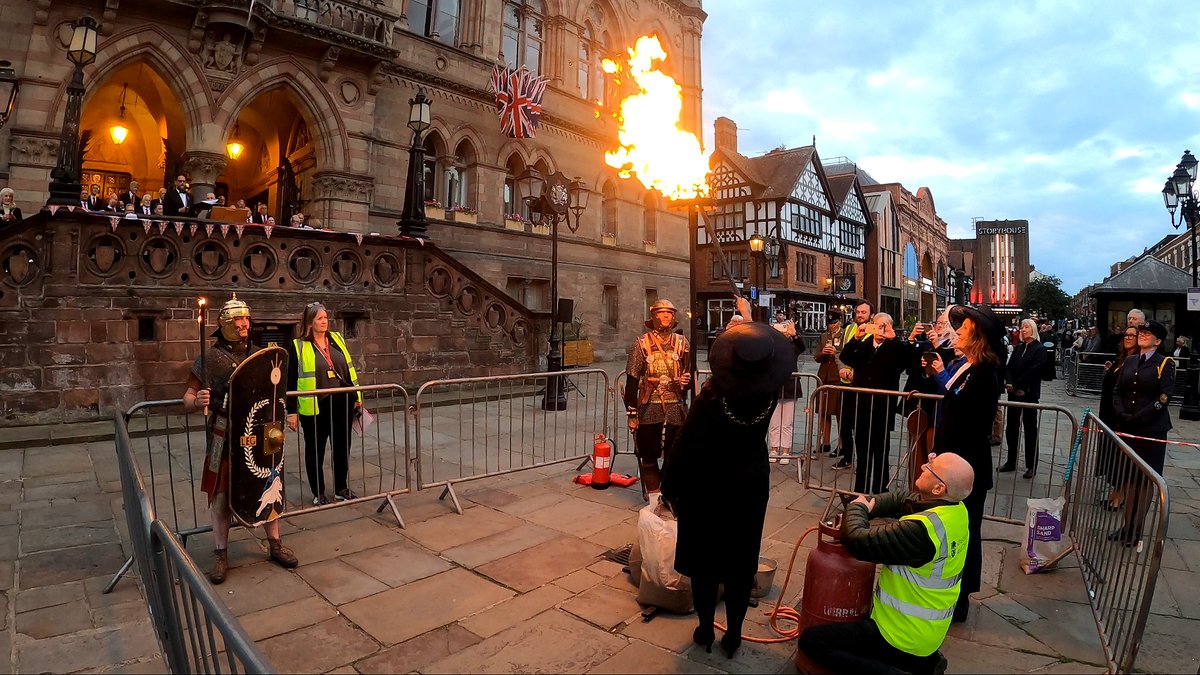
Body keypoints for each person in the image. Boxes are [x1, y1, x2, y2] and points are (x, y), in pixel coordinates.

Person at [660, 295, 794, 660]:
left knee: (705, 565)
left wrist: (668, 488)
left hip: (707, 486)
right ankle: (733, 634)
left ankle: (706, 627)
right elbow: (768, 345)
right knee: (739, 563)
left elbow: (683, 446)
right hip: (749, 486)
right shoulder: (769, 393)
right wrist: (751, 316)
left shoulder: (711, 398)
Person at [798, 451, 974, 675]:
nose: (922, 466)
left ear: (939, 488)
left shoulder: (920, 532)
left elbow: (857, 540)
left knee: (813, 641)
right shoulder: (955, 510)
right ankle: (925, 663)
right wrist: (870, 503)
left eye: (930, 467)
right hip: (926, 633)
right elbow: (903, 500)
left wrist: (858, 507)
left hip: (899, 636)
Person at [182, 295, 299, 583]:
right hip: (224, 433)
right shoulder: (209, 358)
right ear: (224, 324)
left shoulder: (262, 355)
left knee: (269, 485)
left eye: (246, 318)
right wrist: (197, 401)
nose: (245, 323)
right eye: (238, 319)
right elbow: (187, 397)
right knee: (220, 496)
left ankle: (274, 544)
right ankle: (220, 553)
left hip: (259, 434)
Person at [926, 304, 1004, 622]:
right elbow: (952, 405)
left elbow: (970, 421)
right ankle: (947, 590)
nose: (957, 332)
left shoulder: (984, 373)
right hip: (951, 463)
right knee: (951, 529)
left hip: (966, 467)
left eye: (965, 328)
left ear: (978, 336)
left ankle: (961, 599)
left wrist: (946, 460)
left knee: (966, 533)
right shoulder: (966, 366)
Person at [287, 302, 363, 505]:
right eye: (320, 318)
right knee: (315, 449)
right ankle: (318, 492)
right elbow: (291, 379)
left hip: (342, 401)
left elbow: (348, 370)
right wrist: (291, 411)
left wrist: (356, 398)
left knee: (341, 447)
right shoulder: (298, 345)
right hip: (315, 405)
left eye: (326, 318)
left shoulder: (336, 339)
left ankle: (341, 487)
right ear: (310, 322)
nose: (324, 321)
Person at [839, 312, 923, 494]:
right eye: (878, 324)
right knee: (862, 453)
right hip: (862, 406)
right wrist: (856, 337)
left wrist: (895, 340)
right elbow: (845, 357)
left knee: (881, 452)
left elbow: (907, 363)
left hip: (883, 407)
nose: (881, 329)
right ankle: (859, 491)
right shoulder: (864, 345)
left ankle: (879, 492)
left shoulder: (894, 348)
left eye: (885, 325)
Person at [1109, 320, 1175, 547]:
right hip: (1127, 426)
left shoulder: (1165, 363)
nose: (1143, 335)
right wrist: (1121, 413)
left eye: (1149, 334)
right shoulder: (1130, 361)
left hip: (1151, 430)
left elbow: (1164, 397)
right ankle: (1127, 526)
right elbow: (1117, 391)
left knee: (1144, 480)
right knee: (1128, 477)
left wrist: (1141, 417)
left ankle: (1135, 530)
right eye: (1142, 332)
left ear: (1158, 341)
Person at [624, 298, 691, 493]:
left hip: (675, 405)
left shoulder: (682, 343)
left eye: (669, 313)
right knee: (649, 455)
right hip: (649, 405)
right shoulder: (642, 343)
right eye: (661, 313)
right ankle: (654, 499)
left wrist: (685, 382)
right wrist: (632, 413)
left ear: (673, 317)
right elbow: (632, 379)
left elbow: (689, 374)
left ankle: (669, 496)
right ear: (653, 316)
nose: (665, 316)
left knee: (675, 456)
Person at [1097, 327, 1139, 510]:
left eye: (1132, 335)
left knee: (1121, 459)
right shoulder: (1121, 358)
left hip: (1120, 416)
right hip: (1108, 414)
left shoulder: (1136, 360)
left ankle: (1119, 497)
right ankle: (1115, 493)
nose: (1128, 338)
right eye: (1126, 335)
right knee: (1112, 458)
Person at [1001, 319, 1048, 478]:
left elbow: (1035, 370)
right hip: (1014, 394)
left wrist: (1018, 385)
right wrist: (1009, 383)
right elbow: (1009, 368)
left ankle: (1031, 465)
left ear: (1033, 329)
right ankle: (1011, 461)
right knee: (1011, 428)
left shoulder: (1039, 349)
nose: (1023, 329)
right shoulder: (1018, 347)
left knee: (1030, 430)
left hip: (1029, 394)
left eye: (1026, 327)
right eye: (1022, 327)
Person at [834, 301, 874, 470]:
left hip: (862, 385)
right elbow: (839, 352)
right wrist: (842, 368)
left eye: (864, 312)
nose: (860, 315)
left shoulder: (874, 331)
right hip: (845, 384)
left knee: (861, 427)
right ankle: (847, 457)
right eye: (858, 311)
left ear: (871, 315)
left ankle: (863, 462)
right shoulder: (849, 329)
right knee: (844, 423)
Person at [767, 313, 806, 465]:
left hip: (789, 385)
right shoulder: (771, 344)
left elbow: (801, 348)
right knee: (774, 420)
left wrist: (794, 335)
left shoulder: (792, 345)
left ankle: (786, 449)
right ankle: (774, 447)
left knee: (787, 421)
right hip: (775, 385)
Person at [813, 313, 845, 458]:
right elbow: (816, 356)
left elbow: (847, 354)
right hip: (824, 376)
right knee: (824, 411)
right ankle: (825, 442)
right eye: (829, 323)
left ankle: (841, 444)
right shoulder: (824, 335)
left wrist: (835, 352)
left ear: (839, 322)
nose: (831, 325)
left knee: (839, 412)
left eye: (834, 322)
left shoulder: (845, 334)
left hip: (837, 376)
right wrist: (823, 353)